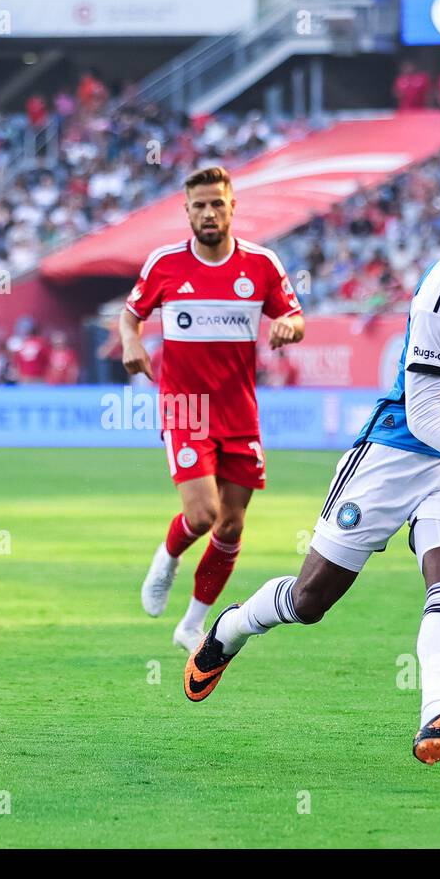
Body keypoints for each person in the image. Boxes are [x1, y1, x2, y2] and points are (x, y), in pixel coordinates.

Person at [183, 153, 440, 769]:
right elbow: (424, 416)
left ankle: (436, 717)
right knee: (310, 602)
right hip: (396, 451)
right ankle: (229, 630)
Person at [120, 165, 305, 653]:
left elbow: (293, 314)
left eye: (216, 203)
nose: (208, 212)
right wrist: (131, 343)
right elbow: (130, 314)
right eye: (199, 205)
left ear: (232, 207)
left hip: (239, 411)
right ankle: (168, 555)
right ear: (186, 211)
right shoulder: (164, 264)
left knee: (232, 524)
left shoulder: (261, 265)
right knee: (202, 515)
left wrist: (289, 326)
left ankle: (191, 624)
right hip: (186, 407)